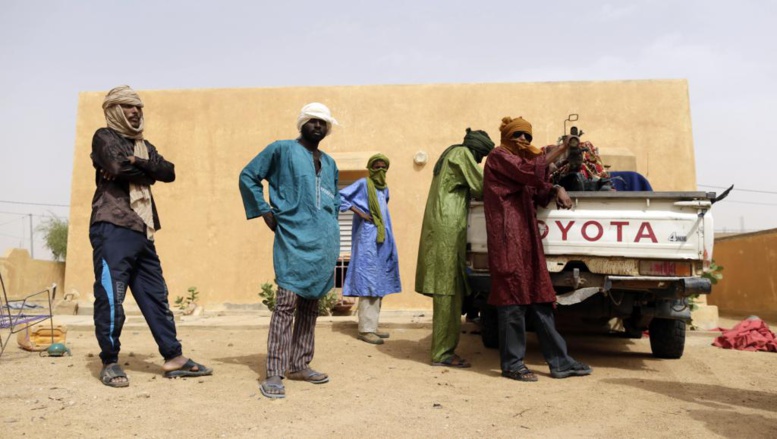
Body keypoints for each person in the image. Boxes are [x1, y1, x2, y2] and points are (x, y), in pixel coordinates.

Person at [89, 85, 212, 388]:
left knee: (156, 297)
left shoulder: (143, 145)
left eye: (139, 108)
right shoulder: (104, 137)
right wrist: (143, 171)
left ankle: (174, 357)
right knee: (111, 297)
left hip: (143, 229)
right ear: (114, 110)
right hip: (113, 225)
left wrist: (139, 163)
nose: (135, 112)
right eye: (128, 107)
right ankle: (110, 361)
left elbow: (168, 172)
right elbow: (116, 165)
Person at [239, 103, 341, 399]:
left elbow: (333, 199)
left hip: (324, 241)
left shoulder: (331, 162)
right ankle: (274, 371)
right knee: (285, 304)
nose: (318, 126)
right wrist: (264, 211)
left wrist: (332, 226)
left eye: (323, 122)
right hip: (293, 237)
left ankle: (300, 364)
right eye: (313, 121)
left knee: (310, 307)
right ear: (302, 123)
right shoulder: (281, 149)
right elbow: (248, 176)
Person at [483, 116, 593, 381]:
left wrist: (556, 187)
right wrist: (561, 149)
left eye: (527, 137)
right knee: (512, 300)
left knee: (541, 299)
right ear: (507, 137)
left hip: (528, 242)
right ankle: (512, 365)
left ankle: (560, 362)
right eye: (518, 135)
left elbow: (538, 188)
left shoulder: (523, 166)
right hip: (508, 239)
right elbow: (529, 172)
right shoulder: (499, 157)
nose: (523, 140)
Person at [415, 128, 495, 368]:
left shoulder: (453, 153)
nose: (480, 160)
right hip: (446, 229)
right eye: (482, 154)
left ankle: (444, 349)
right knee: (446, 290)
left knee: (450, 289)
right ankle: (442, 353)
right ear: (477, 149)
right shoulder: (461, 154)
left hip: (447, 227)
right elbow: (482, 186)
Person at [339, 154, 401, 345]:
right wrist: (361, 213)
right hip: (367, 239)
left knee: (379, 281)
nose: (380, 170)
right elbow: (340, 197)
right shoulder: (363, 184)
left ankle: (372, 326)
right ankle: (365, 330)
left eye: (384, 167)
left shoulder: (384, 189)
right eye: (377, 167)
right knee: (368, 282)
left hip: (383, 239)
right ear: (370, 168)